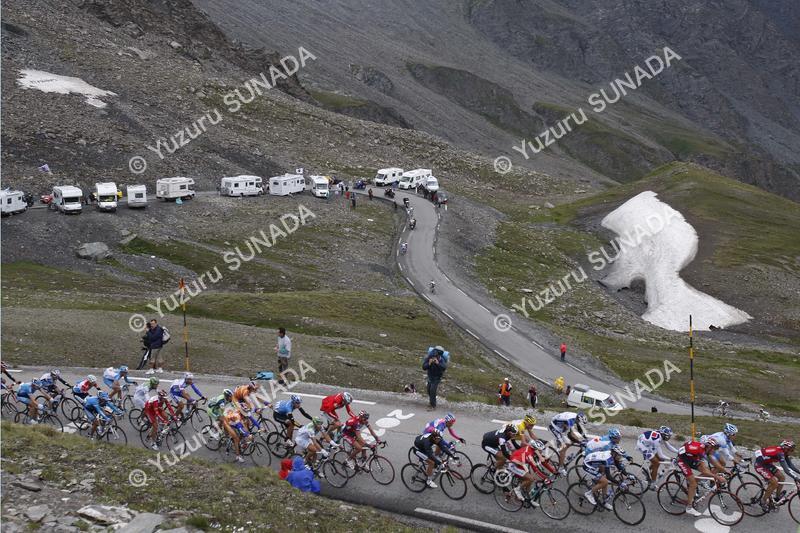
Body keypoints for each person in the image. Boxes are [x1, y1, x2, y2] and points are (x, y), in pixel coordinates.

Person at [676, 438, 726, 516]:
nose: (715, 451)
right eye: (714, 449)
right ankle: (689, 508)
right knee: (694, 484)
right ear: (709, 447)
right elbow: (704, 471)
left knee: (706, 471)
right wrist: (717, 477)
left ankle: (691, 484)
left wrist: (721, 471)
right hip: (682, 460)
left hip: (691, 457)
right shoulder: (700, 451)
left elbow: (708, 467)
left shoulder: (704, 450)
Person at [583, 434, 632, 511]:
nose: (620, 457)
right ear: (615, 454)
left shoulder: (613, 455)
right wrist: (619, 483)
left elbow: (618, 466)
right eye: (619, 455)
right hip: (588, 465)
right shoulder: (607, 459)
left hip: (596, 462)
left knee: (604, 481)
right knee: (605, 481)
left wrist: (628, 475)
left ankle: (604, 500)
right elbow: (609, 476)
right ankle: (589, 494)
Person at [507, 440, 557, 504]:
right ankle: (517, 490)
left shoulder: (533, 449)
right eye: (540, 450)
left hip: (520, 463)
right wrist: (545, 478)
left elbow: (540, 463)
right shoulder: (529, 455)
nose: (541, 452)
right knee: (531, 478)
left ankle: (527, 497)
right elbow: (535, 469)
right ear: (536, 449)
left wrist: (552, 471)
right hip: (514, 464)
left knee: (531, 480)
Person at [755, 440, 799, 512]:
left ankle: (777, 497)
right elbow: (786, 470)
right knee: (774, 483)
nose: (792, 452)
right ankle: (763, 501)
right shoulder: (780, 453)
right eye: (791, 450)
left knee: (782, 477)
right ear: (786, 448)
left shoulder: (784, 453)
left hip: (767, 464)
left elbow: (791, 466)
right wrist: (796, 478)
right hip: (760, 465)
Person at [422, 346, 448, 410]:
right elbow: (424, 367)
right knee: (428, 390)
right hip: (430, 376)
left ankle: (433, 406)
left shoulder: (441, 360)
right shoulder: (429, 358)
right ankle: (431, 402)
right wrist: (429, 363)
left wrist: (438, 363)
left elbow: (443, 368)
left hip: (437, 377)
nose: (434, 358)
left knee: (432, 390)